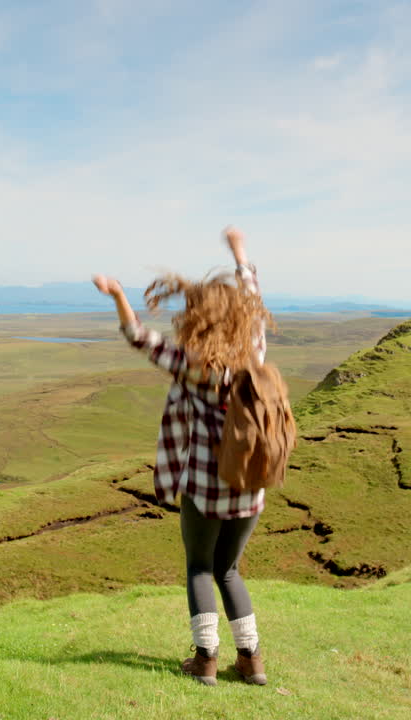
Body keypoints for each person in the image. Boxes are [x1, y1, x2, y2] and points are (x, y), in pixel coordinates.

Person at [91, 226, 272, 687]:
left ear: (198, 319)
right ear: (238, 316)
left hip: (204, 489)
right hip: (251, 489)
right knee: (228, 569)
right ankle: (251, 662)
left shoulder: (191, 364)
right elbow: (251, 291)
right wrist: (239, 252)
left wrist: (116, 295)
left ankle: (206, 660)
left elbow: (137, 336)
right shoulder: (253, 351)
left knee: (198, 568)